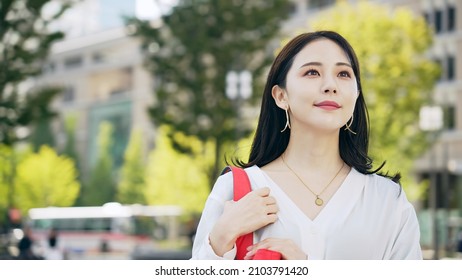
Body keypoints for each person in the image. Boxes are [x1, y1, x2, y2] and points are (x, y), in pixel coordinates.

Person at [191, 31, 422, 260]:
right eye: (312, 72)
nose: (331, 85)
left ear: (356, 95)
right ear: (281, 96)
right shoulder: (236, 190)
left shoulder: (388, 200)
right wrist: (221, 238)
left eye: (343, 74)